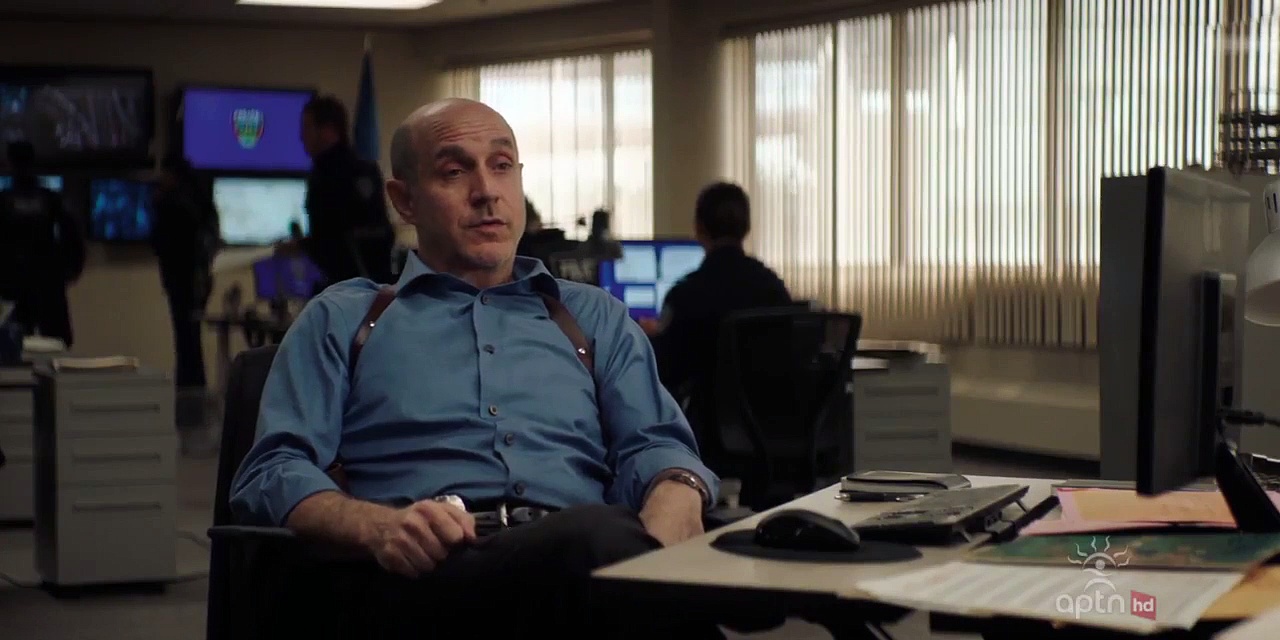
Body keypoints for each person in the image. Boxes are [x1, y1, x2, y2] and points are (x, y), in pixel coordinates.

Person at [231, 98, 724, 637]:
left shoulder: (592, 317)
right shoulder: (345, 318)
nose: (487, 191)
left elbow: (655, 444)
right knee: (600, 544)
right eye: (454, 171)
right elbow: (274, 468)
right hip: (421, 578)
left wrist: (675, 492)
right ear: (405, 200)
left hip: (580, 569)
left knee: (618, 548)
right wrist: (378, 527)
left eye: (502, 165)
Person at [642, 181, 792, 400]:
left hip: (708, 416)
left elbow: (664, 370)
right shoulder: (774, 288)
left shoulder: (686, 294)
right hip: (770, 414)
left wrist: (651, 338)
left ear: (699, 228)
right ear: (747, 228)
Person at [150, 154, 220, 442]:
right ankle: (193, 407)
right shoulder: (199, 200)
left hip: (182, 282)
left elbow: (161, 241)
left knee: (186, 344)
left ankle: (189, 409)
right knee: (191, 343)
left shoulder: (173, 203)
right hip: (197, 282)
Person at [291, 94, 395, 285]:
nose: (302, 136)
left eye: (307, 128)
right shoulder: (365, 168)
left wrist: (300, 247)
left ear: (328, 130)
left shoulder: (329, 176)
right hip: (375, 283)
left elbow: (333, 236)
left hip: (347, 284)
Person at [0, 141, 84, 348]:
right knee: (58, 343)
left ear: (9, 163)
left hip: (14, 282)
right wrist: (70, 270)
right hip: (48, 281)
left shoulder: (4, 201)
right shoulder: (51, 199)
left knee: (12, 346)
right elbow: (72, 236)